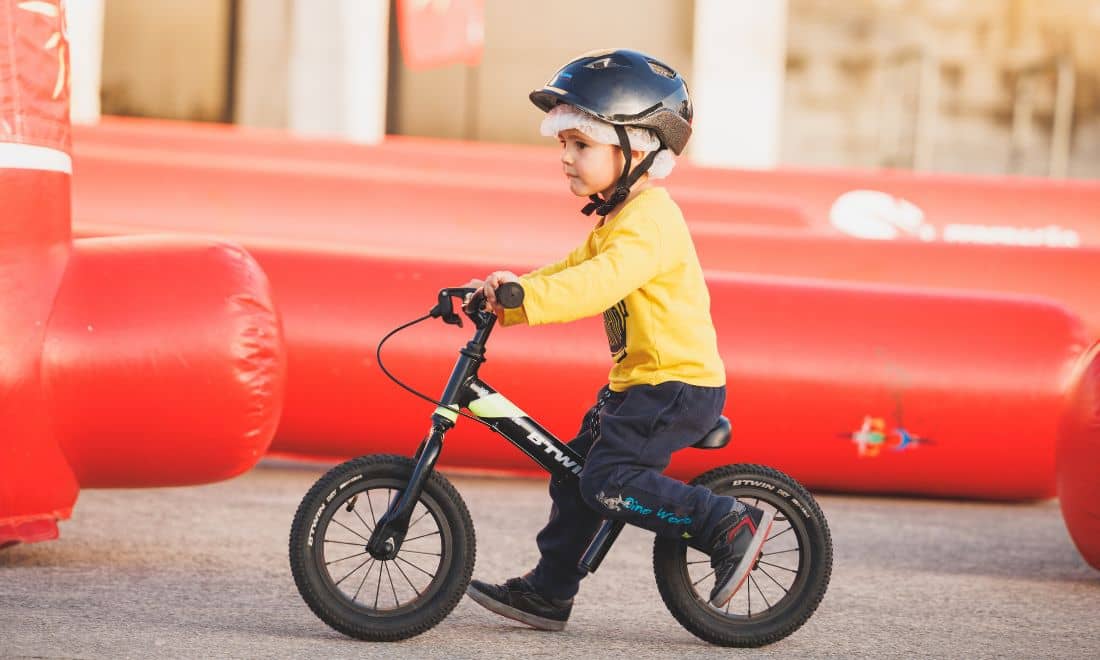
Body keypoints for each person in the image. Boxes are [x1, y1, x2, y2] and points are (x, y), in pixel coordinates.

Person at [464, 49, 774, 632]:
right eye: (563, 145)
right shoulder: (615, 219)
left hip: (678, 386)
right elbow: (568, 268)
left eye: (581, 144)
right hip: (639, 386)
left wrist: (526, 305)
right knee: (573, 473)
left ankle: (728, 524)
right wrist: (510, 289)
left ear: (637, 147)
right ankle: (550, 592)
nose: (565, 158)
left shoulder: (651, 220)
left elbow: (597, 283)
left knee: (606, 483)